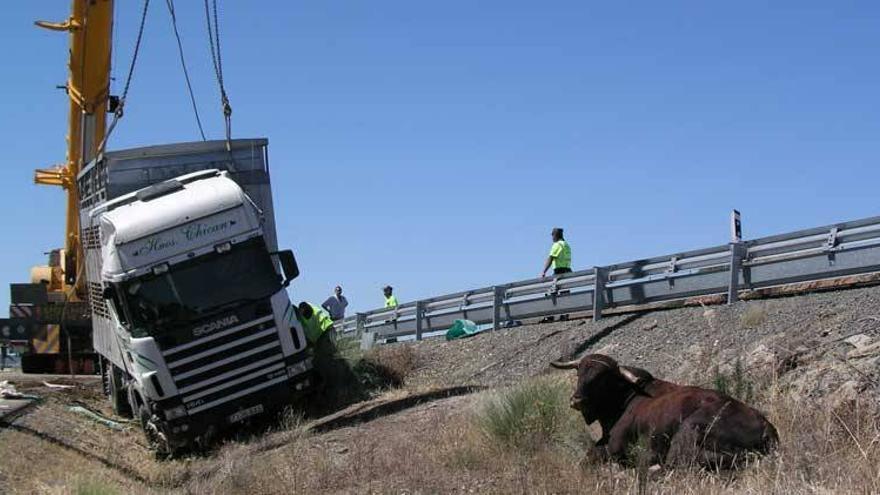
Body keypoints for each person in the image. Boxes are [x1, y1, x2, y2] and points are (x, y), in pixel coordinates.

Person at [540, 227, 572, 321]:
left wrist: (544, 271)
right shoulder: (566, 245)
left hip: (559, 271)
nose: (552, 238)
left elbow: (551, 258)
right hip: (568, 271)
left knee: (550, 292)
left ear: (555, 235)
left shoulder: (557, 245)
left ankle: (550, 316)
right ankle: (564, 315)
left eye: (552, 235)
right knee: (565, 293)